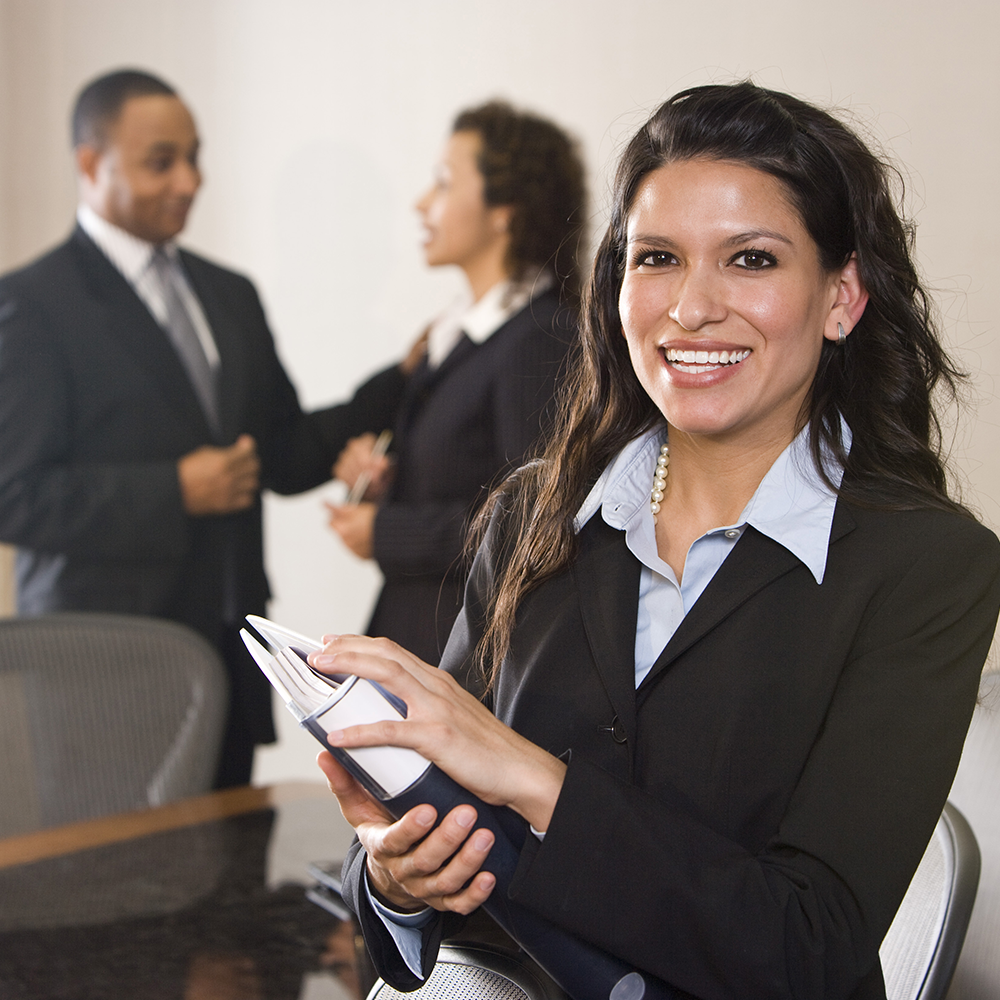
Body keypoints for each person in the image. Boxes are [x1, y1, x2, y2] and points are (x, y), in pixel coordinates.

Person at [308, 82, 1000, 1000]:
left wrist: (530, 780)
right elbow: (443, 848)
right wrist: (397, 879)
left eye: (751, 260)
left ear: (841, 298)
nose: (692, 308)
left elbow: (811, 951)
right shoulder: (532, 516)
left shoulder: (926, 566)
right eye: (659, 259)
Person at [0, 69, 403, 788]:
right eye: (163, 161)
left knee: (224, 882)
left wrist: (399, 387)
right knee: (112, 889)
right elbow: (15, 495)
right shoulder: (31, 305)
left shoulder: (229, 294)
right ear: (91, 164)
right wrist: (173, 492)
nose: (189, 180)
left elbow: (275, 454)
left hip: (226, 657)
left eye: (195, 157)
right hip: (101, 671)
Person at [326, 101, 585, 665]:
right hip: (422, 638)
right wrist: (385, 485)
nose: (422, 202)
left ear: (505, 212)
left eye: (443, 183)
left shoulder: (542, 339)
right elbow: (468, 483)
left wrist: (388, 532)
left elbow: (538, 519)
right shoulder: (457, 336)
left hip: (466, 663)